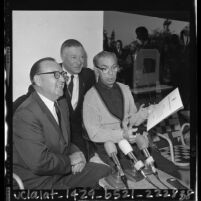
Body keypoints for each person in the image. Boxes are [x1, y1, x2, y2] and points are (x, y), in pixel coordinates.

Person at [13, 57, 111, 189]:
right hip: (39, 182)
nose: (63, 79)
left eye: (63, 74)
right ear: (38, 80)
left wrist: (79, 155)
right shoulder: (25, 114)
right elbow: (39, 163)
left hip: (62, 171)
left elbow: (64, 141)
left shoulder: (62, 103)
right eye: (56, 75)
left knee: (105, 172)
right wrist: (70, 161)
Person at [83, 51, 182, 179]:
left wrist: (145, 113)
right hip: (111, 148)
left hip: (134, 142)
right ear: (96, 70)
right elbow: (94, 133)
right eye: (104, 69)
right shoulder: (90, 98)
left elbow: (131, 120)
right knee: (140, 177)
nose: (111, 73)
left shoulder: (124, 88)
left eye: (114, 67)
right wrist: (122, 135)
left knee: (172, 170)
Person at [60, 39, 96, 160]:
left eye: (82, 57)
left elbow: (92, 102)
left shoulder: (88, 75)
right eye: (74, 57)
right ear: (62, 57)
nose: (79, 62)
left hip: (77, 130)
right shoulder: (52, 73)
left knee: (84, 160)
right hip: (57, 132)